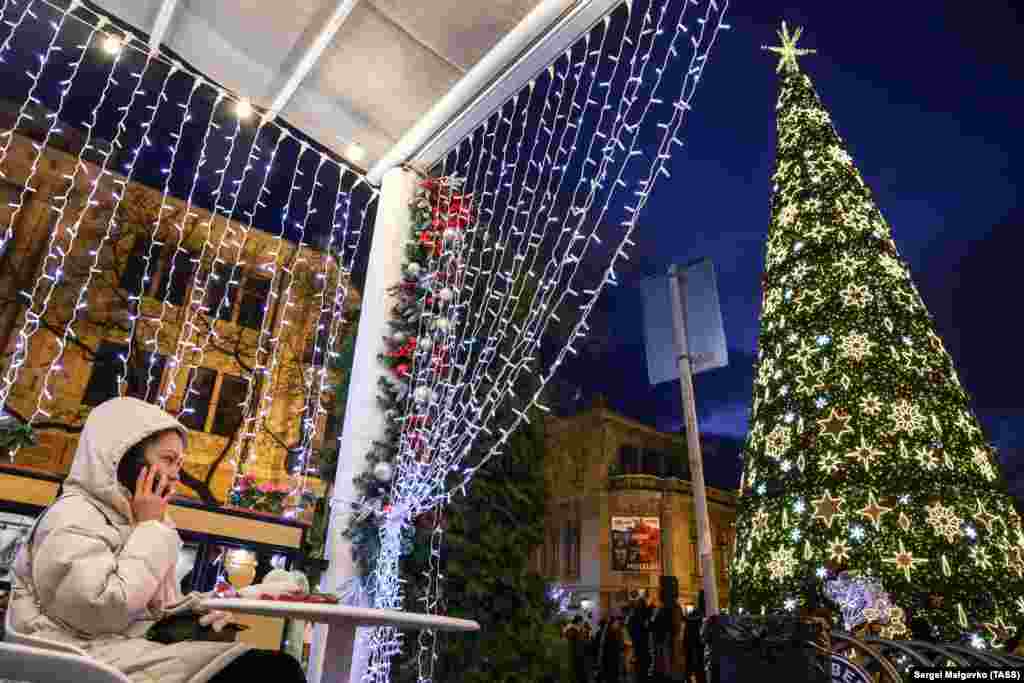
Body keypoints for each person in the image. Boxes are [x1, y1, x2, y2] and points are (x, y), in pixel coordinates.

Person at [8, 397, 306, 682]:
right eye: (168, 460)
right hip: (83, 660)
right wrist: (150, 528)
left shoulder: (139, 520)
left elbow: (155, 612)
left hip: (124, 653)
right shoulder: (73, 515)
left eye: (179, 464)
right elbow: (99, 611)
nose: (176, 475)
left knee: (275, 668)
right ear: (127, 459)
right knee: (272, 672)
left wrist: (201, 612)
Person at [627, 595, 652, 683]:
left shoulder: (634, 616)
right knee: (645, 668)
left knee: (639, 668)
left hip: (638, 645)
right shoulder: (647, 615)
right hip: (646, 646)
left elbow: (629, 628)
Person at [683, 591, 707, 683]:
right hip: (697, 643)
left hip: (693, 642)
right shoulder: (702, 614)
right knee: (698, 664)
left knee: (692, 663)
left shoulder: (693, 614)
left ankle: (689, 676)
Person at [564, 615, 589, 683]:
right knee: (577, 671)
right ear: (578, 622)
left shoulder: (579, 629)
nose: (582, 623)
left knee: (581, 671)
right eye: (581, 621)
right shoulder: (572, 629)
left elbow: (583, 640)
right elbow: (571, 638)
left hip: (580, 653)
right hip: (575, 653)